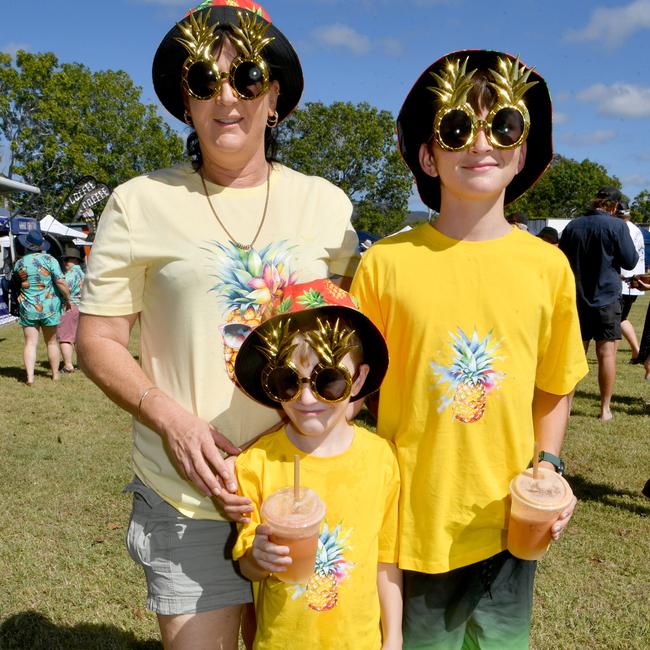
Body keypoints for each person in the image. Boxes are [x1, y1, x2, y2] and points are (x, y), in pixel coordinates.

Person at [77, 2, 359, 648]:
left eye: (247, 77)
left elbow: (350, 344)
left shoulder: (328, 206)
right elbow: (96, 339)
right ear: (186, 99)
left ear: (276, 95)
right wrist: (170, 419)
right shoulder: (138, 202)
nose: (226, 97)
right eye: (205, 80)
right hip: (187, 499)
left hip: (299, 491)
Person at [351, 50, 588, 649]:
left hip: (509, 524)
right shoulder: (385, 264)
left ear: (522, 150)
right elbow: (351, 396)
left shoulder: (548, 268)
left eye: (502, 125)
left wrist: (549, 469)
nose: (480, 143)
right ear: (429, 155)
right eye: (457, 128)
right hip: (415, 524)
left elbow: (553, 388)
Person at [230, 279, 401, 649]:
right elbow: (247, 563)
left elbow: (386, 561)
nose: (306, 398)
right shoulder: (255, 464)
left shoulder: (381, 460)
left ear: (359, 379)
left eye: (329, 381)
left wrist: (395, 638)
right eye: (287, 381)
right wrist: (258, 557)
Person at [559, 186, 638, 420]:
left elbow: (561, 259)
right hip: (607, 298)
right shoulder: (617, 226)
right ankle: (605, 409)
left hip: (577, 298)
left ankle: (567, 405)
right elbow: (631, 261)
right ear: (613, 206)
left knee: (574, 354)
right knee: (606, 355)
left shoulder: (573, 225)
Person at [12, 229, 71, 385]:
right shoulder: (50, 260)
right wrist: (68, 298)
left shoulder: (19, 263)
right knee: (51, 342)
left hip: (27, 308)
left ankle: (30, 378)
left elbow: (16, 284)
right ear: (40, 245)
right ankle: (55, 375)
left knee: (30, 343)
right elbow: (60, 282)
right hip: (49, 308)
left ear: (26, 245)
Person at [616, 201, 645, 363]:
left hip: (625, 281)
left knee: (617, 320)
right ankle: (636, 352)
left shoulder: (624, 230)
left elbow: (625, 257)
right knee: (621, 318)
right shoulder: (636, 229)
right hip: (633, 281)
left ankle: (636, 351)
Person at [57, 246, 85, 372]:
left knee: (65, 337)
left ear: (69, 260)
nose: (64, 263)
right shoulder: (83, 274)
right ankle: (83, 364)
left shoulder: (70, 275)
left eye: (65, 260)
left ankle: (68, 365)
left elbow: (63, 287)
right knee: (79, 338)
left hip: (70, 307)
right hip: (83, 307)